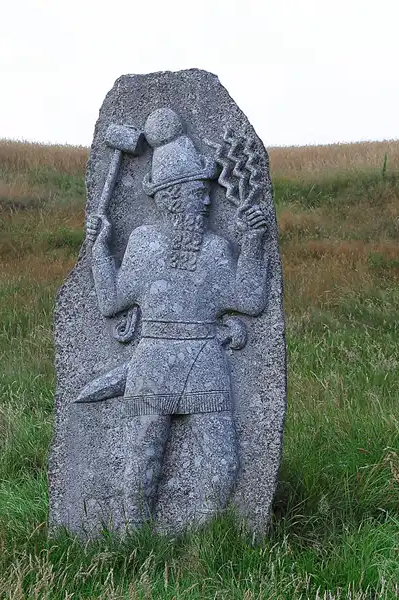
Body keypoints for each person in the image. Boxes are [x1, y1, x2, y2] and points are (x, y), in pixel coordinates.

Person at [84, 107, 269, 525]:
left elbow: (250, 301)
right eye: (197, 191)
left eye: (206, 191)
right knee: (141, 462)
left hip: (205, 361)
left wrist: (253, 243)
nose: (206, 200)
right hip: (151, 362)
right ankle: (134, 540)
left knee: (223, 463)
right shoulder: (143, 243)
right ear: (169, 197)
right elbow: (111, 303)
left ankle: (208, 539)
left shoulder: (217, 249)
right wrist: (99, 251)